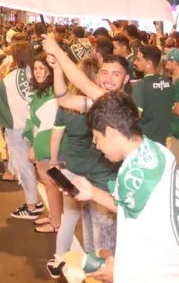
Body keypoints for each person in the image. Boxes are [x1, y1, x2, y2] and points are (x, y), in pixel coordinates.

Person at [66, 92, 179, 282]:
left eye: (96, 138)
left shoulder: (132, 178)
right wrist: (92, 192)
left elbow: (145, 252)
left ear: (112, 132)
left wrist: (120, 273)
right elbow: (134, 210)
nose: (96, 145)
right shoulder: (156, 151)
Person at [45, 57, 120, 277]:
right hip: (95, 172)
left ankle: (59, 258)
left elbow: (55, 138)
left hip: (72, 168)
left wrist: (53, 162)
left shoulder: (68, 108)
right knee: (100, 235)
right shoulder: (98, 107)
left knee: (70, 217)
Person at [0, 40, 44, 219]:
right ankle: (36, 202)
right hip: (36, 125)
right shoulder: (37, 72)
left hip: (18, 127)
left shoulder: (10, 77)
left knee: (24, 166)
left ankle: (32, 206)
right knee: (39, 166)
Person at [25, 54, 60, 232]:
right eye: (35, 68)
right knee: (50, 183)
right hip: (44, 142)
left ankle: (55, 222)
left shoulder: (51, 92)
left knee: (50, 183)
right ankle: (53, 217)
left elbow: (48, 125)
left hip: (47, 144)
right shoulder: (42, 91)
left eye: (41, 68)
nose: (37, 72)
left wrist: (34, 146)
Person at [131, 45, 174, 146]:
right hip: (162, 141)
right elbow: (171, 110)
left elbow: (135, 116)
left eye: (138, 59)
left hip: (145, 141)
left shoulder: (141, 85)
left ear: (148, 64)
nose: (135, 62)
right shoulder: (168, 83)